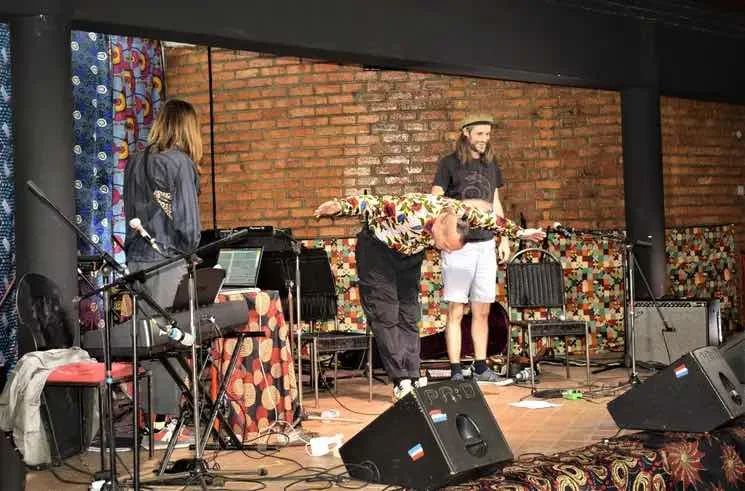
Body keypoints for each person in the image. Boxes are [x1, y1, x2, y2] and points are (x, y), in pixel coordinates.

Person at [314, 193, 544, 400]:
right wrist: (338, 205)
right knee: (386, 314)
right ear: (438, 228)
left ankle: (413, 375)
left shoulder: (458, 211)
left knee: (409, 313)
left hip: (409, 256)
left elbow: (491, 220)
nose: (444, 250)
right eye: (444, 245)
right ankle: (400, 380)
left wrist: (522, 232)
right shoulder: (412, 209)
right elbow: (371, 202)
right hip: (378, 251)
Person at [124, 98, 202, 447]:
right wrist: (192, 251)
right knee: (171, 337)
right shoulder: (179, 163)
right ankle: (167, 424)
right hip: (168, 261)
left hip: (136, 261)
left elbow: (128, 211)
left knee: (147, 341)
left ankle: (149, 425)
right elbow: (187, 225)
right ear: (188, 128)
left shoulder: (135, 161)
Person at [431, 113, 510, 382]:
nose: (484, 140)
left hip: (486, 244)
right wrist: (459, 214)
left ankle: (480, 367)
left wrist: (504, 238)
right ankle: (455, 370)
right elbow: (435, 199)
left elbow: (496, 202)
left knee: (483, 310)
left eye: (488, 135)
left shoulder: (491, 164)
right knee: (456, 310)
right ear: (466, 133)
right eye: (480, 134)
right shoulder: (449, 163)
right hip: (459, 247)